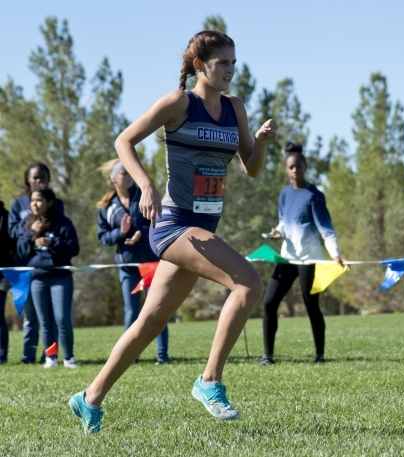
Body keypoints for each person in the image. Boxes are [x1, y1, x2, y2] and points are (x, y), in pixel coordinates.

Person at [69, 30, 277, 433]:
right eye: (223, 63)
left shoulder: (236, 108)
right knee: (248, 283)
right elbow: (124, 140)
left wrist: (263, 143)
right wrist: (145, 185)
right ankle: (209, 380)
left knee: (150, 322)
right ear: (200, 66)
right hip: (174, 225)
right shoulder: (179, 103)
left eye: (234, 62)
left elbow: (251, 167)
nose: (231, 69)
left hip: (202, 226)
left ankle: (89, 397)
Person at [260, 142, 344, 366]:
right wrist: (277, 232)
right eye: (291, 167)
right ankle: (267, 356)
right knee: (269, 303)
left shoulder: (314, 195)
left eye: (298, 166)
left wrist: (335, 255)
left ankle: (320, 355)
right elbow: (284, 222)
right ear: (286, 170)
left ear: (305, 167)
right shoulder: (285, 194)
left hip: (310, 259)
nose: (295, 170)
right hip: (287, 257)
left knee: (311, 305)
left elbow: (327, 230)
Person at [97, 158, 169, 364]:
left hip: (152, 264)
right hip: (127, 267)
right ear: (113, 179)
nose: (128, 176)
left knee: (158, 310)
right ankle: (132, 358)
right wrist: (121, 233)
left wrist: (142, 233)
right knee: (132, 312)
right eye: (124, 173)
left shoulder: (145, 196)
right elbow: (103, 237)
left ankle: (162, 356)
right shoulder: (107, 208)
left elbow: (160, 224)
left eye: (130, 172)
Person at [16, 187, 79, 368]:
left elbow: (74, 248)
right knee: (43, 322)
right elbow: (21, 252)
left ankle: (68, 358)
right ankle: (50, 357)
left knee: (62, 319)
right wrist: (30, 234)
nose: (34, 204)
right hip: (37, 278)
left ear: (50, 202)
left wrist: (53, 242)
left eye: (39, 200)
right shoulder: (28, 223)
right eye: (32, 200)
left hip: (60, 277)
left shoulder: (63, 222)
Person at [9, 162, 64, 364]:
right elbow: (12, 233)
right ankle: (28, 356)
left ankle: (50, 354)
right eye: (35, 177)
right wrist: (31, 230)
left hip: (50, 267)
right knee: (30, 315)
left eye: (42, 177)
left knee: (52, 317)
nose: (39, 180)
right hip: (25, 266)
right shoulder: (18, 205)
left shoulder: (56, 203)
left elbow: (60, 228)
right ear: (28, 180)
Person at [0, 200, 14, 364]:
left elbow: (10, 248)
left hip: (1, 274)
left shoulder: (5, 216)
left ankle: (1, 356)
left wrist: (7, 275)